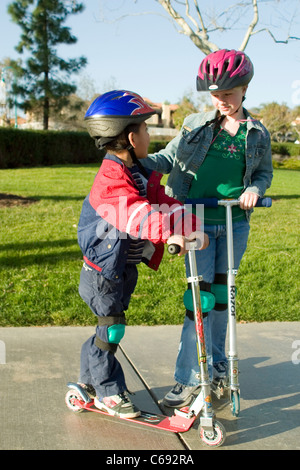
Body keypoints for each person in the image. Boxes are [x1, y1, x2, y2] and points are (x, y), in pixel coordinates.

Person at [142, 49, 273, 407]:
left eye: (228, 95)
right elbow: (167, 159)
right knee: (199, 303)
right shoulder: (195, 123)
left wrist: (255, 190)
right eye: (215, 96)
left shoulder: (257, 132)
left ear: (245, 88)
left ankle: (215, 368)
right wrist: (131, 161)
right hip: (194, 224)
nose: (221, 102)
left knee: (221, 304)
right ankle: (188, 378)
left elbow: (263, 173)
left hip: (233, 226)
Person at [76, 90, 207, 419]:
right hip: (101, 274)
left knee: (110, 329)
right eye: (147, 130)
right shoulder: (109, 181)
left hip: (122, 269)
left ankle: (90, 379)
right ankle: (108, 391)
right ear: (133, 137)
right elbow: (135, 213)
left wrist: (190, 225)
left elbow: (164, 203)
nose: (150, 135)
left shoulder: (138, 172)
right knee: (111, 329)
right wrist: (168, 232)